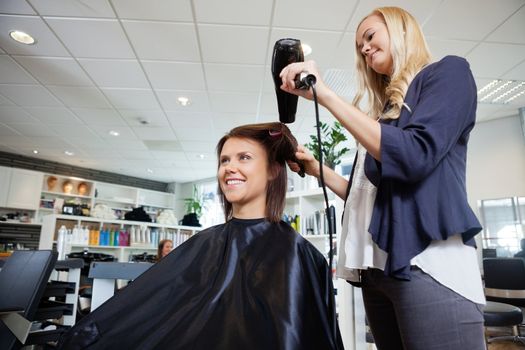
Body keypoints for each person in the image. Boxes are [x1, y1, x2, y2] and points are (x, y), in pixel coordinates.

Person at [281, 6, 485, 350]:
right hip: (377, 272)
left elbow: (414, 155)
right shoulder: (386, 115)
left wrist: (326, 94)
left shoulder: (448, 72)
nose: (363, 47)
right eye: (359, 44)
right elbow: (370, 200)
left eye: (370, 36)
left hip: (427, 265)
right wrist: (318, 170)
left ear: (401, 30)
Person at [58, 122, 343, 350]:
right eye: (224, 160)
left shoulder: (296, 254)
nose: (229, 167)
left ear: (273, 170)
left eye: (244, 157)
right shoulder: (205, 244)